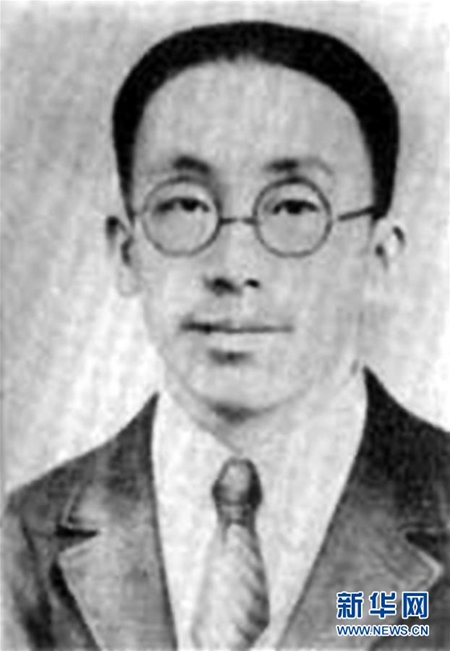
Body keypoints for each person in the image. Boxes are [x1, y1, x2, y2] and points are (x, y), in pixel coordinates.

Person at [2, 20, 449, 651]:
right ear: (126, 251)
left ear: (378, 255)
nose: (235, 267)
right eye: (185, 205)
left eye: (293, 208)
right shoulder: (23, 536)